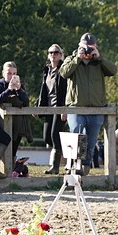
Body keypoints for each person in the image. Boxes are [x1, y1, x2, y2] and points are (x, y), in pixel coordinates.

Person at [59, 32, 117, 174]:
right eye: (86, 47)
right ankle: (72, 167)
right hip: (76, 108)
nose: (88, 50)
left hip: (97, 109)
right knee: (76, 138)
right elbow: (63, 73)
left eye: (91, 47)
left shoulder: (99, 62)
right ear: (80, 46)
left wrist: (100, 57)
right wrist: (77, 59)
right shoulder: (71, 59)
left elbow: (113, 70)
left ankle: (84, 170)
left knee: (91, 143)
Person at [0, 61, 31, 174]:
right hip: (2, 122)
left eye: (14, 73)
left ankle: (12, 172)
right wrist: (9, 90)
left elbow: (26, 102)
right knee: (2, 146)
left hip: (18, 124)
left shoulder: (20, 85)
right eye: (9, 73)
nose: (12, 76)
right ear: (3, 73)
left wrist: (19, 89)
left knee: (13, 148)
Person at [38, 44, 69, 174]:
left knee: (55, 135)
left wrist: (65, 109)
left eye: (56, 52)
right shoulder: (47, 70)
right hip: (48, 107)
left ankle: (55, 167)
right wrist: (39, 106)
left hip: (60, 106)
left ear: (61, 55)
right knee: (47, 138)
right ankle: (67, 149)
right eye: (50, 52)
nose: (53, 54)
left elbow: (67, 90)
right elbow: (44, 91)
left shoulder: (63, 70)